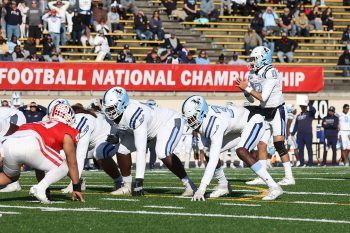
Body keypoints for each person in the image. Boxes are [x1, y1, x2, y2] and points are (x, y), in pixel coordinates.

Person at [182, 96, 283, 201]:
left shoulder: (215, 122)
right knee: (208, 150)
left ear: (202, 112)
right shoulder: (204, 120)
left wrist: (202, 188)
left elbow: (213, 159)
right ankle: (223, 185)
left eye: (192, 118)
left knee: (241, 151)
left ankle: (274, 187)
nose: (190, 121)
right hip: (238, 127)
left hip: (253, 120)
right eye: (188, 118)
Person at [102, 87, 197, 196]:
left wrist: (139, 181)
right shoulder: (113, 114)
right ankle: (127, 186)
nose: (109, 111)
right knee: (122, 150)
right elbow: (116, 124)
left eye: (112, 108)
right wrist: (116, 135)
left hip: (168, 122)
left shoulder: (135, 115)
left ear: (122, 104)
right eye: (108, 108)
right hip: (148, 130)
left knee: (162, 152)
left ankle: (189, 185)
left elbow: (141, 149)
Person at [0, 104, 84, 203]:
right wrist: (76, 187)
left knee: (9, 177)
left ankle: (42, 188)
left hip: (8, 142)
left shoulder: (37, 124)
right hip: (31, 141)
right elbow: (72, 163)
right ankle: (39, 188)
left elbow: (39, 166)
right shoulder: (66, 131)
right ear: (69, 117)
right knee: (64, 166)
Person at [236, 46, 295, 186]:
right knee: (261, 144)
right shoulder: (252, 73)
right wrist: (245, 91)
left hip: (276, 110)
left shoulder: (271, 72)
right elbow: (252, 99)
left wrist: (247, 88)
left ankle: (289, 176)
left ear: (263, 58)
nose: (252, 62)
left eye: (254, 59)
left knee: (279, 144)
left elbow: (263, 97)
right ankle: (262, 176)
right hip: (264, 111)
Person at [61, 104, 123, 194]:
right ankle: (79, 180)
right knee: (61, 155)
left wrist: (74, 185)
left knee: (100, 153)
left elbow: (80, 156)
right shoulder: (70, 121)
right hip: (92, 143)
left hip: (107, 138)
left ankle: (120, 181)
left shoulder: (82, 122)